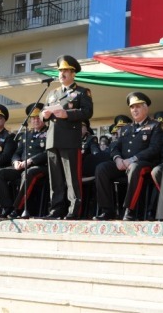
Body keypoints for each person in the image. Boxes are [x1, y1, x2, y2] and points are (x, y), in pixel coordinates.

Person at [94, 92, 163, 221]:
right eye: (132, 107)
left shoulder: (155, 125)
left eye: (137, 106)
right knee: (101, 168)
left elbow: (155, 148)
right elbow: (114, 146)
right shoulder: (125, 128)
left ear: (145, 108)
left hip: (143, 164)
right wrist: (117, 159)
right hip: (123, 163)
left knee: (134, 167)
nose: (134, 110)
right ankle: (107, 210)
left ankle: (129, 210)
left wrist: (132, 159)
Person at [41, 55, 93, 219]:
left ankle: (73, 210)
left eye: (65, 71)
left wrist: (67, 114)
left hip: (70, 140)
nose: (62, 74)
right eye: (60, 71)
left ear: (73, 73)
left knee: (72, 178)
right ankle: (56, 209)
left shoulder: (82, 92)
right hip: (52, 139)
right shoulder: (52, 93)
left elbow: (88, 112)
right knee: (55, 179)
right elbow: (43, 114)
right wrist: (44, 114)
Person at [0, 102, 48, 219]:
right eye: (33, 118)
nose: (35, 120)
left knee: (28, 173)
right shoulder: (25, 135)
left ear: (43, 118)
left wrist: (30, 161)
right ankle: (6, 207)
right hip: (21, 166)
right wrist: (15, 162)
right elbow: (17, 152)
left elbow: (48, 153)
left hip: (40, 167)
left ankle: (17, 209)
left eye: (38, 117)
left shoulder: (49, 133)